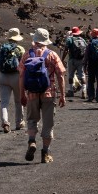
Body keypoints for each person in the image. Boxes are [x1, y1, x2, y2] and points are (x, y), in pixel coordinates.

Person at [19, 28, 66, 163]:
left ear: (35, 39)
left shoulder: (27, 55)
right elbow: (61, 75)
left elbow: (21, 76)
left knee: (32, 120)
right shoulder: (52, 55)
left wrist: (22, 94)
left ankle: (32, 141)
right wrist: (62, 95)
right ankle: (45, 153)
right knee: (48, 124)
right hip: (49, 92)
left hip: (32, 93)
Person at [0, 27, 26, 133]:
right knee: (18, 101)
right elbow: (23, 65)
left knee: (4, 102)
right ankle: (19, 123)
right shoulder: (20, 49)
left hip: (3, 77)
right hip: (16, 77)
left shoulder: (1, 48)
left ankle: (5, 122)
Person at [60, 26, 87, 100]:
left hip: (72, 59)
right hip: (81, 60)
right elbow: (86, 49)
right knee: (82, 76)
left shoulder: (70, 39)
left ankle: (71, 90)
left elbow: (66, 50)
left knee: (71, 75)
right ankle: (84, 90)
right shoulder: (82, 39)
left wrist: (62, 59)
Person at [85, 28, 98, 103]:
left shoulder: (90, 43)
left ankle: (91, 96)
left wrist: (85, 64)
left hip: (91, 63)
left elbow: (87, 54)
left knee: (91, 80)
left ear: (92, 34)